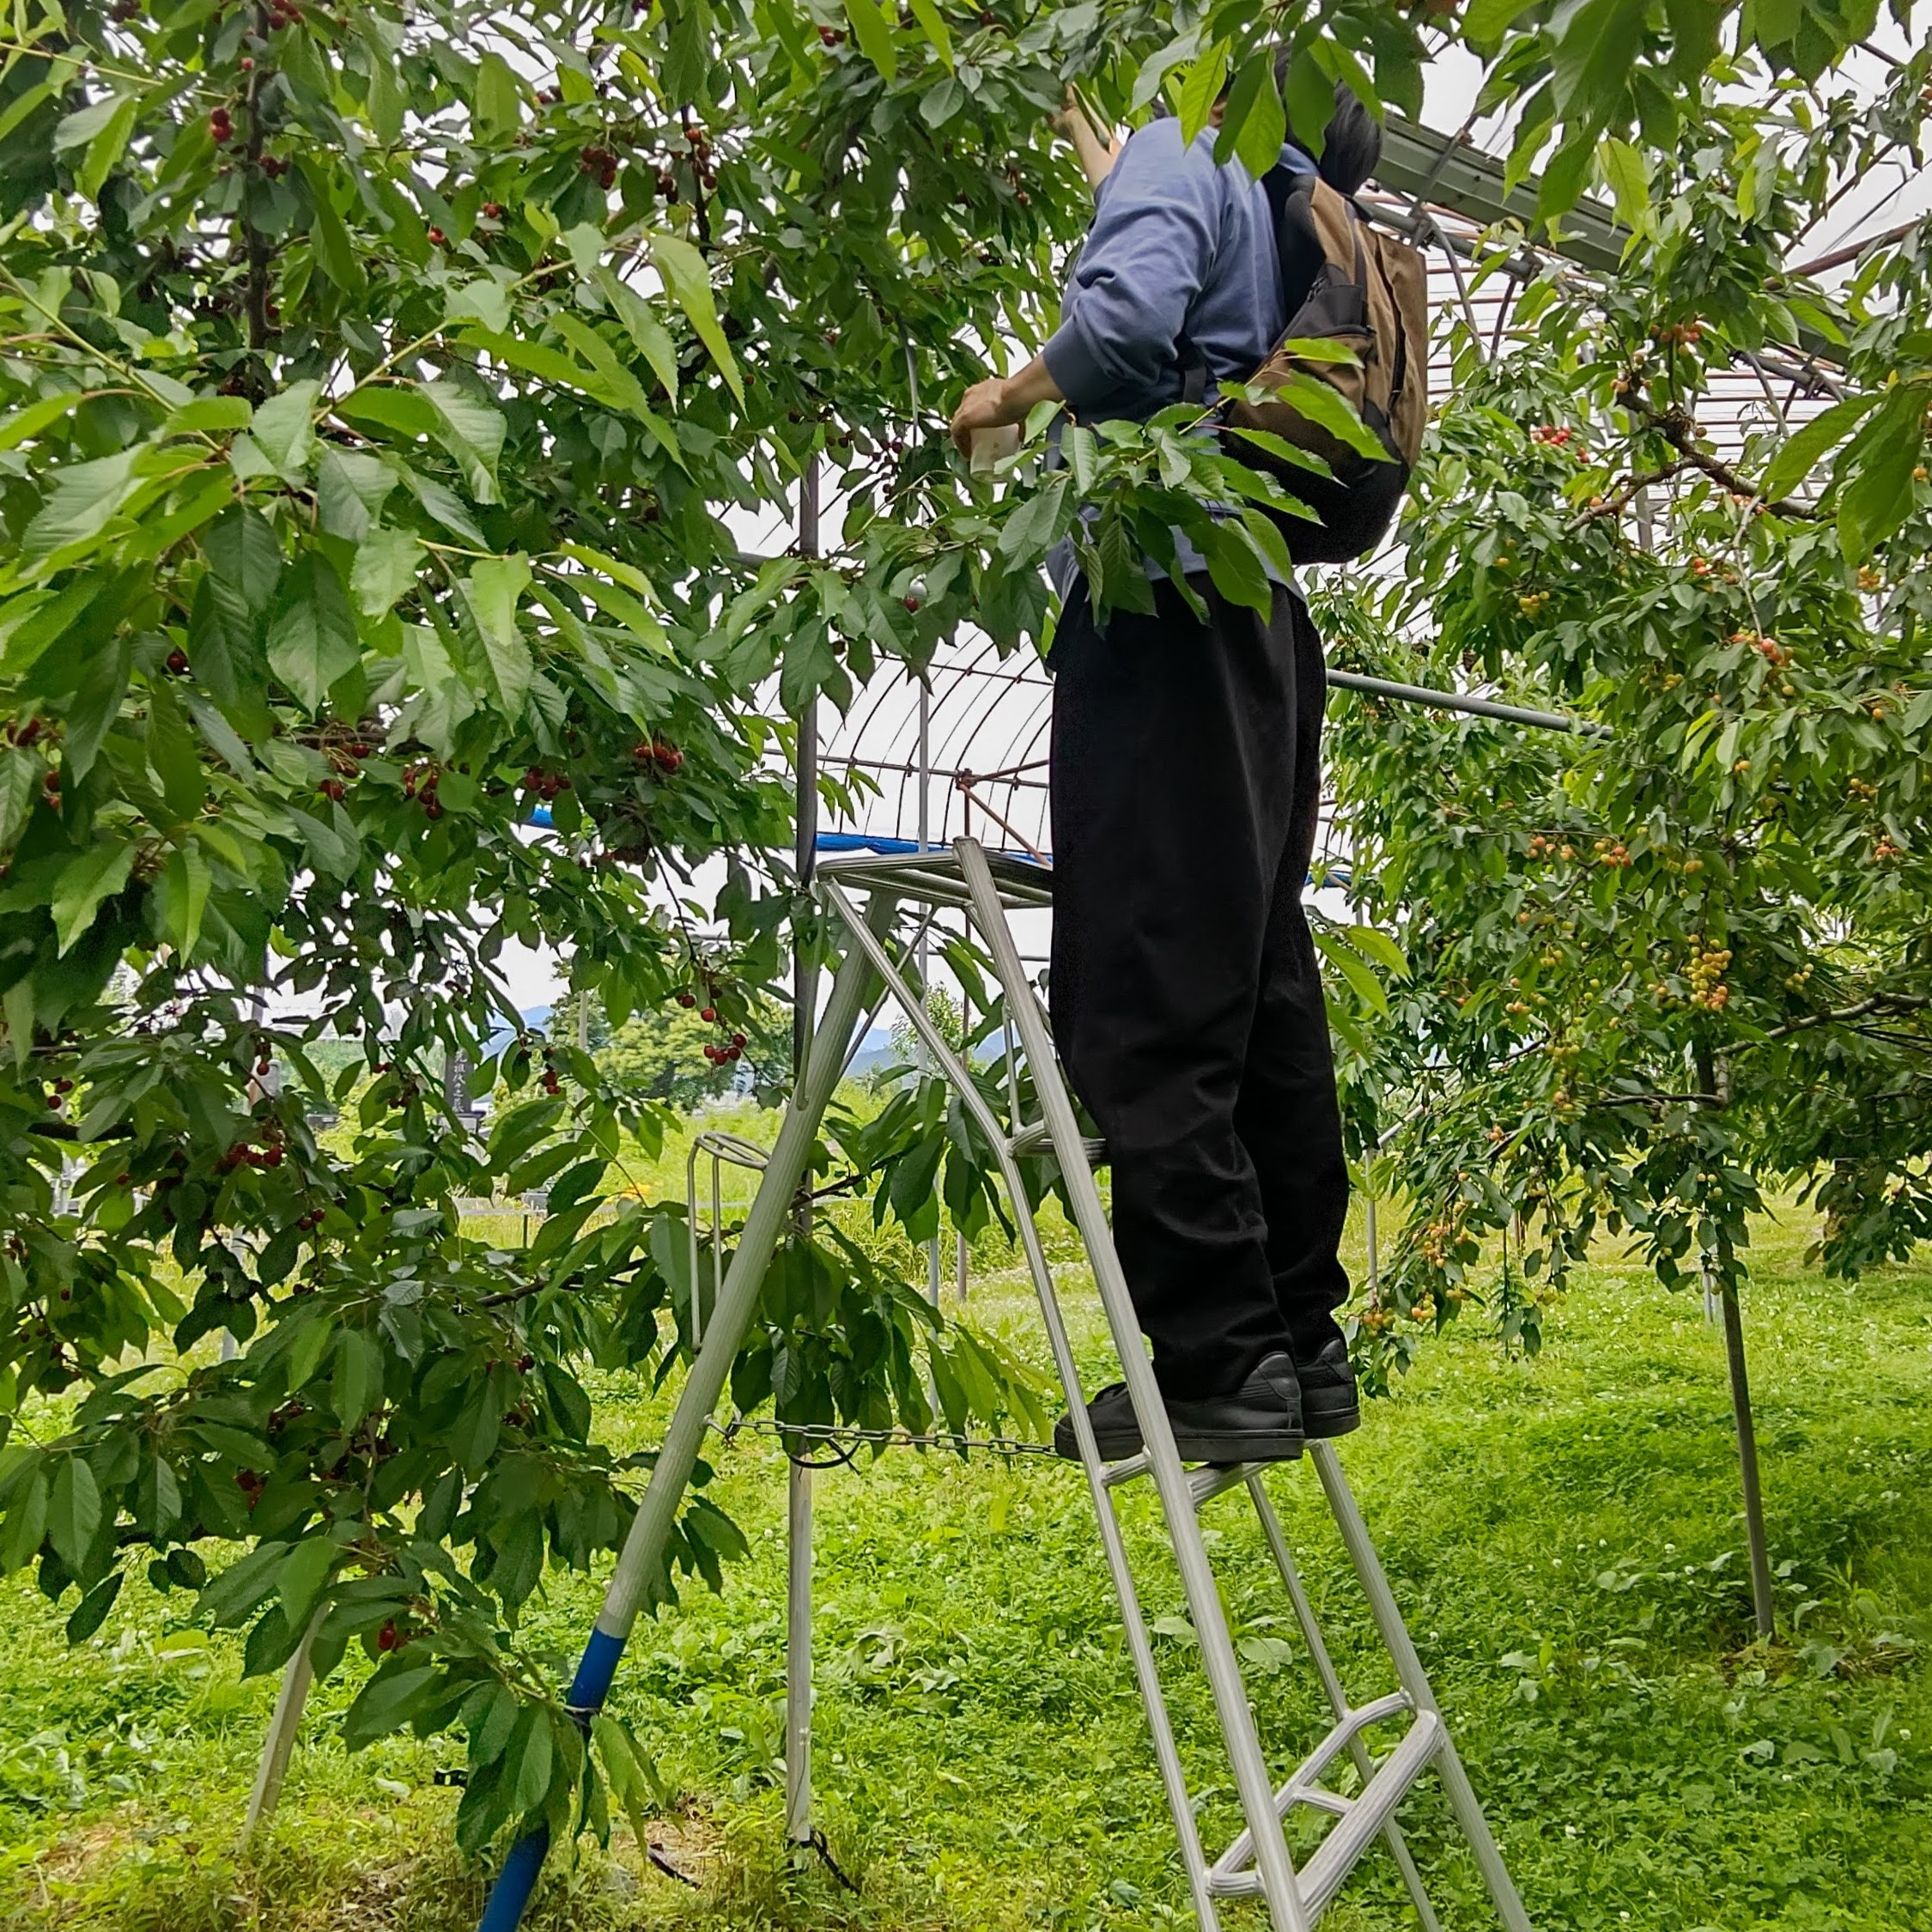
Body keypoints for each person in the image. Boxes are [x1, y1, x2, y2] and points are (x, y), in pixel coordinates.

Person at [949, 83, 1382, 1466]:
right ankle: (1294, 1341)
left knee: (1143, 989)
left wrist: (1008, 393)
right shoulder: (1289, 192)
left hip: (1163, 587)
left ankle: (1212, 1358)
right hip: (1257, 608)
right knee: (1255, 978)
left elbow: (1128, 327)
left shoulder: (1181, 143)